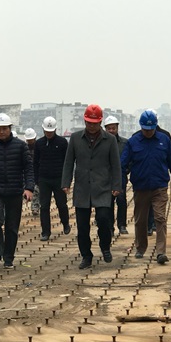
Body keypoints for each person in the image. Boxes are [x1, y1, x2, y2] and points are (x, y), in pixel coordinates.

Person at [62, 104, 122, 270]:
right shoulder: (75, 138)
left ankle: (105, 246)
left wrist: (117, 185)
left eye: (95, 123)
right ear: (84, 121)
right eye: (89, 123)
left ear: (100, 122)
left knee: (103, 219)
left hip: (103, 187)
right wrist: (66, 183)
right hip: (82, 187)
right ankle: (86, 255)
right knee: (82, 226)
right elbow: (68, 162)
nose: (92, 126)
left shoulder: (109, 140)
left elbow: (115, 165)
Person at [121, 110, 171, 263]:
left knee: (160, 218)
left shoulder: (164, 140)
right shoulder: (133, 141)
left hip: (159, 186)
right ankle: (141, 247)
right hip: (140, 187)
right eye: (145, 129)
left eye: (151, 129)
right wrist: (119, 183)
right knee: (140, 220)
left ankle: (161, 252)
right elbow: (122, 164)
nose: (148, 132)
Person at [0, 113, 34, 269]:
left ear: (10, 128)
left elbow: (28, 168)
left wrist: (29, 188)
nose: (1, 132)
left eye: (4, 128)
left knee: (12, 227)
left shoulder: (20, 146)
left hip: (15, 191)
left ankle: (8, 257)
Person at [34, 117, 70, 241]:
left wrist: (67, 180)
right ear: (43, 130)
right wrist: (36, 180)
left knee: (61, 204)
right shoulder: (39, 144)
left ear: (55, 130)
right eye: (47, 131)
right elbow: (35, 162)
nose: (49, 133)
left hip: (59, 179)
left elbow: (67, 162)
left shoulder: (62, 142)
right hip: (44, 179)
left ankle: (65, 223)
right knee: (44, 206)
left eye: (51, 131)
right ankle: (45, 232)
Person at [103, 115, 129, 235]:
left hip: (120, 177)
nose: (111, 130)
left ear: (117, 128)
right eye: (109, 128)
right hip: (106, 178)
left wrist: (126, 170)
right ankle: (110, 227)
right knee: (108, 203)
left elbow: (130, 159)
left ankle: (122, 225)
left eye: (113, 128)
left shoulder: (124, 143)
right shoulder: (101, 143)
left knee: (121, 201)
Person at [24, 128, 40, 216]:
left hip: (37, 171)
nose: (30, 141)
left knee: (37, 190)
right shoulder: (24, 148)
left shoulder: (39, 146)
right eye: (28, 140)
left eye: (31, 140)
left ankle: (35, 207)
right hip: (26, 172)